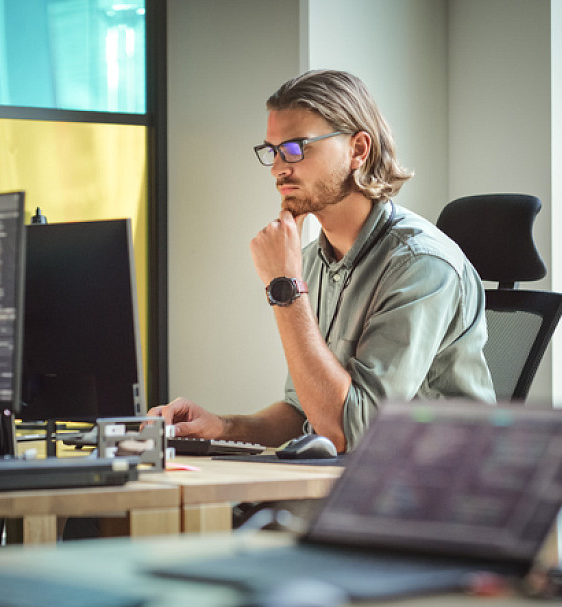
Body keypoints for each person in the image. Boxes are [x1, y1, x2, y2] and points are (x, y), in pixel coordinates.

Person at [149, 69, 495, 454]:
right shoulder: (312, 261)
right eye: (273, 151)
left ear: (358, 150)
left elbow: (349, 433)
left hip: (435, 496)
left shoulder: (421, 265)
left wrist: (285, 289)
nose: (279, 168)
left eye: (297, 147)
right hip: (355, 486)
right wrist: (223, 427)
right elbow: (304, 413)